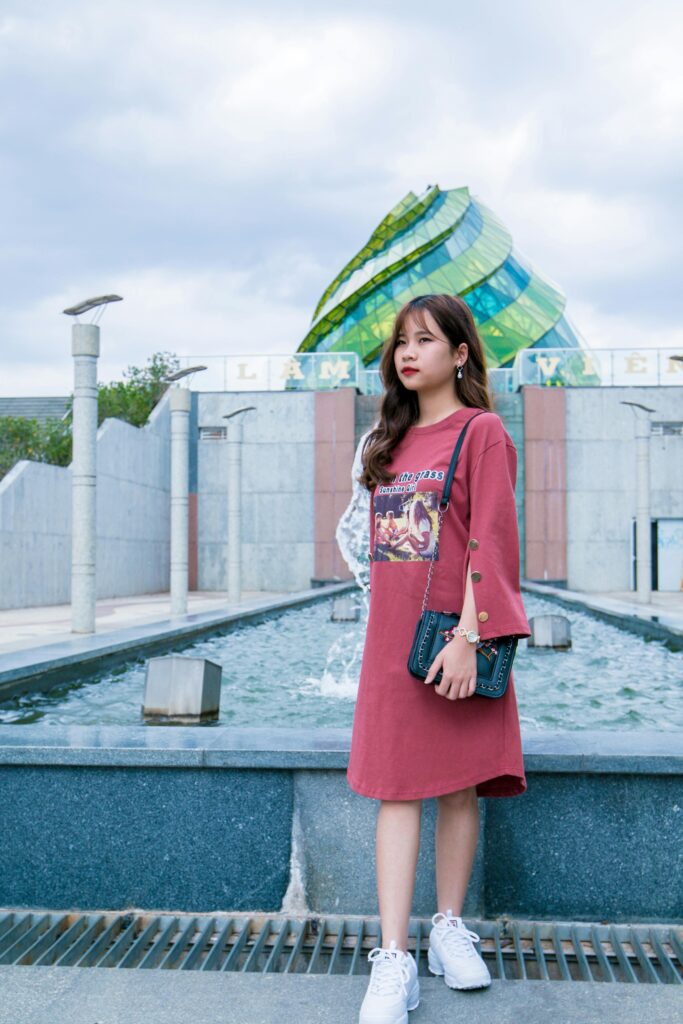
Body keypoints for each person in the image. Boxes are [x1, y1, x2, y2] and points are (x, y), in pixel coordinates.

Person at [347, 293, 531, 1024]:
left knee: (457, 787)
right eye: (400, 342)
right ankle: (394, 956)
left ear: (460, 354)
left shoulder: (481, 432)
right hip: (391, 645)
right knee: (396, 789)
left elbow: (491, 539)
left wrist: (467, 637)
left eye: (424, 340)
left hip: (456, 641)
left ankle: (447, 928)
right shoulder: (384, 444)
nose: (407, 352)